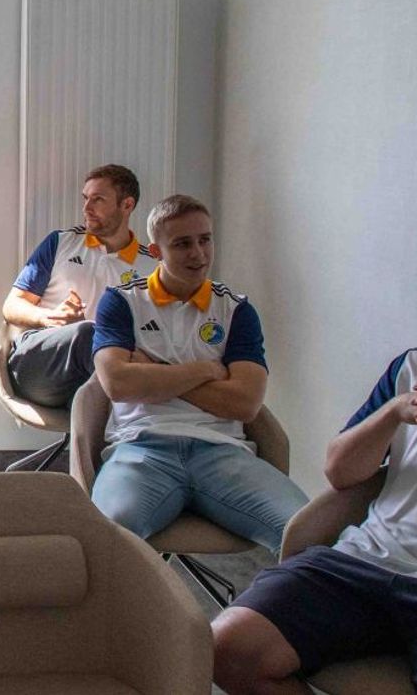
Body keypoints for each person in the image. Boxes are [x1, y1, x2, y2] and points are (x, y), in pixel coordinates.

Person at [213, 229, 417, 695]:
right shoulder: (416, 366)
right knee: (223, 647)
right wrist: (393, 412)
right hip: (363, 564)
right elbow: (339, 472)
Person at [89, 194, 307, 550]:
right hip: (142, 448)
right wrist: (206, 370)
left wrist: (156, 372)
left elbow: (245, 403)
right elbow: (117, 383)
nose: (199, 254)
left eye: (205, 240)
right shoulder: (121, 301)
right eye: (182, 244)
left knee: (308, 535)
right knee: (105, 539)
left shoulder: (236, 310)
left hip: (223, 452)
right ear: (156, 252)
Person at [2, 164, 157, 408]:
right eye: (86, 198)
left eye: (98, 200)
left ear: (127, 205)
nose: (86, 208)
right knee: (89, 334)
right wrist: (50, 317)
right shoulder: (61, 242)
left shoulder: (152, 265)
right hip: (40, 366)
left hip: (104, 372)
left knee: (118, 356)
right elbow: (12, 306)